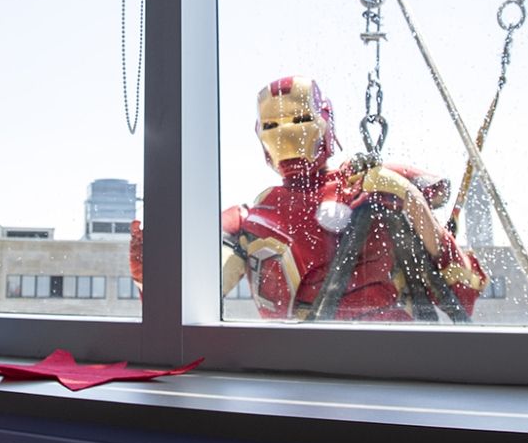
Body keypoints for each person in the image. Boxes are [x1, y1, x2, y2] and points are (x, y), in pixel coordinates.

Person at [183, 76, 485, 321]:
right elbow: (186, 304)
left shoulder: (368, 186)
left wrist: (410, 199)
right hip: (298, 368)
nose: (286, 132)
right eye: (273, 125)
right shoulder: (252, 219)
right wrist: (148, 275)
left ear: (323, 120)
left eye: (299, 119)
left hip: (396, 355)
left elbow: (461, 293)